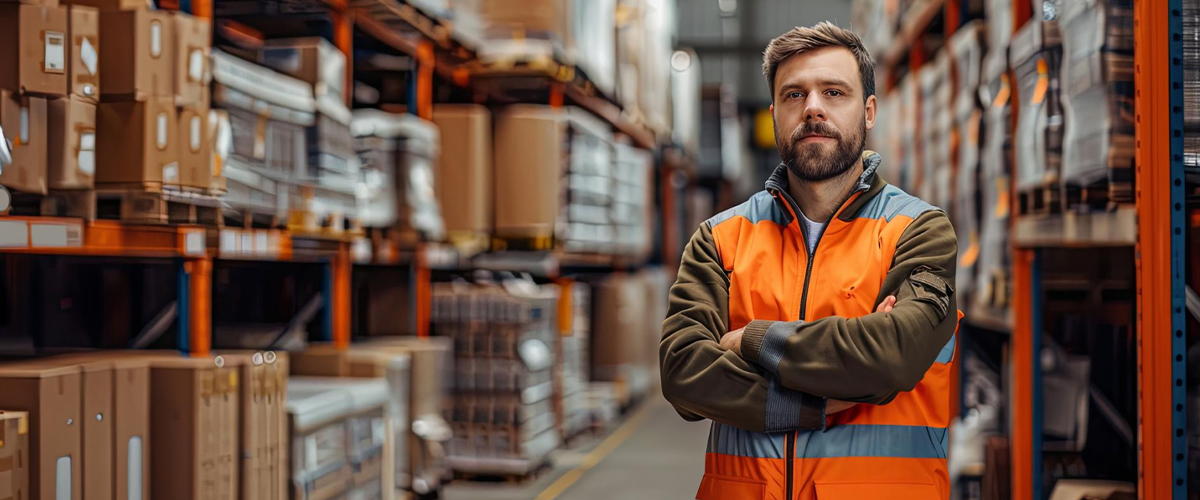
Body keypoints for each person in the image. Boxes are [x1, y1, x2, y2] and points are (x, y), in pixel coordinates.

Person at [659, 22, 961, 500]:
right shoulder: (720, 238)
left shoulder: (919, 231)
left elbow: (893, 356)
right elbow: (683, 372)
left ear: (868, 111)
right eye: (795, 95)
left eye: (833, 92)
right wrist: (819, 401)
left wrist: (754, 340)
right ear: (776, 112)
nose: (813, 107)